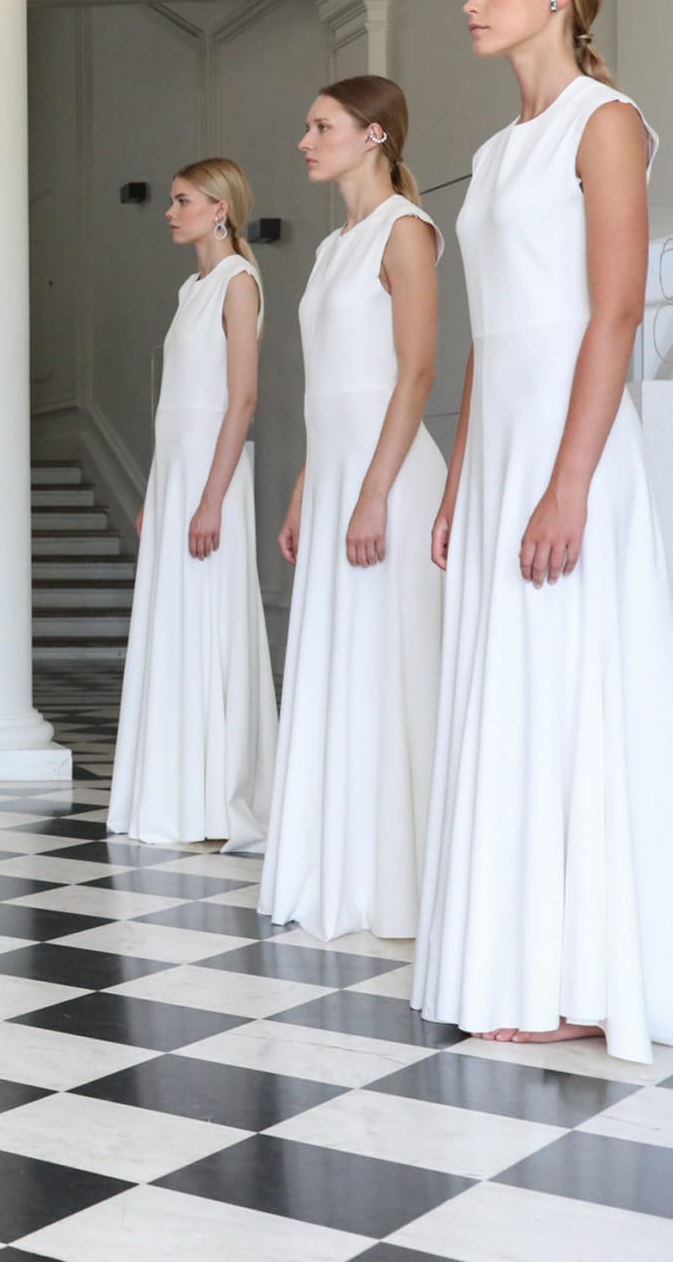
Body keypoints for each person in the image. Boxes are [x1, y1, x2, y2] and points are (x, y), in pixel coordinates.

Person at [414, 0, 673, 1062]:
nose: (472, 2)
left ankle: (585, 976)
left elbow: (611, 313)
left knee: (569, 686)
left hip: (574, 452)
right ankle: (513, 955)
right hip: (502, 454)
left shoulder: (605, 122)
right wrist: (460, 481)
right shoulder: (497, 148)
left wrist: (568, 486)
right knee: (505, 689)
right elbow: (489, 335)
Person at [261, 78, 444, 940]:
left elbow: (416, 371)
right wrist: (308, 488)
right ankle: (341, 866)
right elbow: (326, 388)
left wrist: (372, 493)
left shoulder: (406, 230)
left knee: (389, 667)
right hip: (338, 475)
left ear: (374, 135)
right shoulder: (334, 245)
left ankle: (400, 881)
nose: (305, 140)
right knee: (340, 666)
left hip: (389, 480)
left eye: (321, 125)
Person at [108, 158, 276, 850]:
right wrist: (157, 488)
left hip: (212, 478)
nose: (170, 212)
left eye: (183, 201)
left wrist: (211, 499)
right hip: (177, 476)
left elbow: (242, 399)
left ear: (219, 209)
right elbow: (172, 405)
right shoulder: (192, 287)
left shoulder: (238, 282)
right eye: (172, 200)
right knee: (175, 623)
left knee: (208, 620)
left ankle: (214, 800)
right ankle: (177, 791)